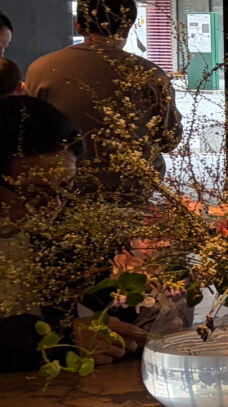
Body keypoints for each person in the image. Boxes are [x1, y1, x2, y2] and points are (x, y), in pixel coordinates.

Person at [0, 96, 142, 373]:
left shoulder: (66, 223)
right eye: (35, 192)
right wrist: (60, 340)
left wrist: (143, 293)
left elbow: (104, 300)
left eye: (66, 187)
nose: (54, 205)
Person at [25, 0, 181, 189]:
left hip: (64, 188)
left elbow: (31, 137)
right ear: (127, 27)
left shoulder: (41, 69)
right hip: (132, 189)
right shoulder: (150, 75)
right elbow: (169, 140)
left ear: (78, 26)